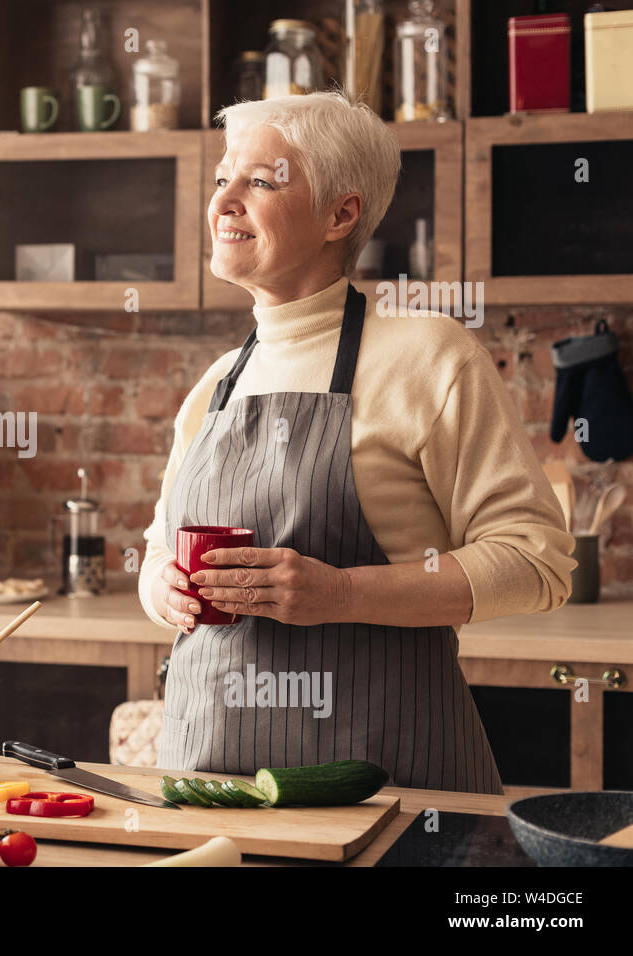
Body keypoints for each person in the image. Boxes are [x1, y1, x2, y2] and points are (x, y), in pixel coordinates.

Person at [139, 92, 575, 794]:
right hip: (212, 784)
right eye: (223, 177)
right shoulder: (216, 384)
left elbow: (536, 562)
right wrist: (163, 588)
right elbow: (158, 548)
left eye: (261, 180)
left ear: (341, 214)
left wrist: (339, 593)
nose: (225, 201)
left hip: (392, 788)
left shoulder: (431, 355)